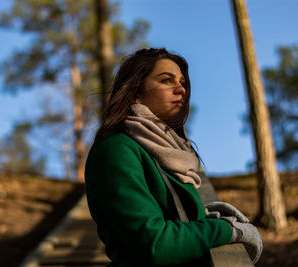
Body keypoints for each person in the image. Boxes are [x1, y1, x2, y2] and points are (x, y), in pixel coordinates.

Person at [85, 48, 262, 266]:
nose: (181, 89)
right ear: (136, 91)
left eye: (182, 83)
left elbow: (160, 214)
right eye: (166, 80)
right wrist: (227, 230)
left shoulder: (165, 152)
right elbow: (156, 243)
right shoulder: (116, 149)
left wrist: (200, 215)